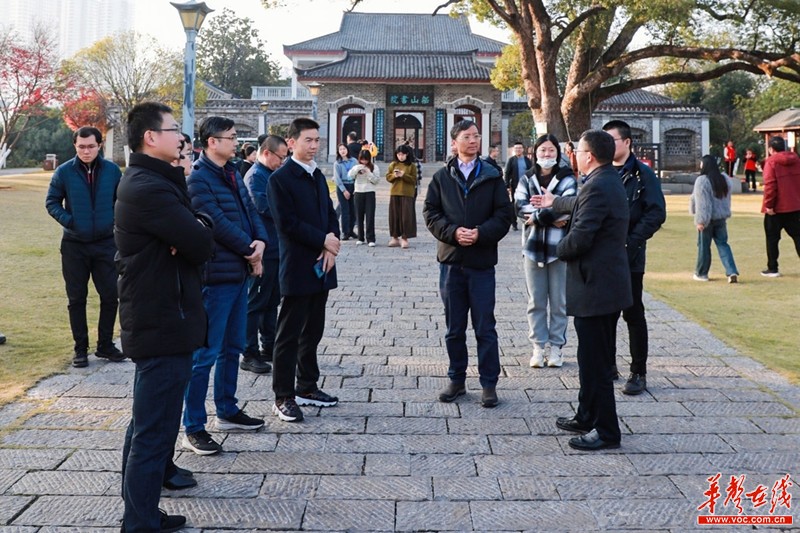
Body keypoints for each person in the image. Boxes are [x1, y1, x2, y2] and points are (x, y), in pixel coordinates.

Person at [116, 101, 215, 532]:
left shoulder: (156, 180)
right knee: (153, 430)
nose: (181, 137)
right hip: (161, 319)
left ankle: (141, 512)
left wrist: (195, 229)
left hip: (165, 315)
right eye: (174, 129)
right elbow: (201, 244)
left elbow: (196, 230)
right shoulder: (148, 187)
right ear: (151, 137)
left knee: (147, 423)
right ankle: (138, 522)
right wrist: (195, 232)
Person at [183, 116, 268, 456]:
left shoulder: (232, 171)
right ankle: (193, 425)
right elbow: (214, 223)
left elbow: (250, 212)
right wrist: (250, 250)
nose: (236, 142)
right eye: (230, 137)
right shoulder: (198, 178)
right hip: (216, 276)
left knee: (232, 347)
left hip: (239, 273)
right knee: (204, 355)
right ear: (211, 142)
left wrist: (260, 242)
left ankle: (227, 410)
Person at [424, 120, 514, 408]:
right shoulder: (442, 177)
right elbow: (430, 212)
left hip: (481, 262)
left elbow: (504, 215)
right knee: (454, 327)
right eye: (467, 136)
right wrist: (453, 233)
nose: (473, 140)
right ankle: (457, 379)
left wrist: (480, 233)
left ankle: (489, 383)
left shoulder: (492, 176)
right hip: (451, 262)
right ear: (454, 143)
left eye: (476, 136)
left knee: (485, 326)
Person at [551, 129, 631, 451]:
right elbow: (579, 204)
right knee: (588, 357)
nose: (575, 156)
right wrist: (555, 204)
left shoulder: (598, 185)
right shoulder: (604, 180)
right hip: (602, 284)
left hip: (596, 287)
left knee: (596, 362)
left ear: (590, 156)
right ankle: (586, 414)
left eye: (579, 151)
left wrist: (557, 248)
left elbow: (581, 237)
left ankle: (607, 430)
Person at [268, 117, 341, 423]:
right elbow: (287, 223)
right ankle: (283, 395)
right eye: (307, 140)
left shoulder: (317, 175)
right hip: (297, 265)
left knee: (313, 330)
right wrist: (322, 240)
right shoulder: (281, 179)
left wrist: (331, 245)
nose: (313, 146)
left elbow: (330, 213)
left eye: (316, 140)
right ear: (291, 142)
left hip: (322, 264)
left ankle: (307, 386)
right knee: (289, 333)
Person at [45, 126, 125, 368]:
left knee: (110, 296)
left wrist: (112, 222)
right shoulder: (64, 172)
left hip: (105, 244)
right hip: (74, 245)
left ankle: (105, 345)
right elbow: (52, 202)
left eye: (91, 146)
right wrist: (71, 222)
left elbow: (121, 201)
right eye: (81, 147)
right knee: (76, 298)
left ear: (99, 145)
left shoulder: (112, 171)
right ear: (75, 146)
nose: (86, 151)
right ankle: (80, 349)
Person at [602, 119, 666, 395]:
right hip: (603, 254)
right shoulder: (601, 172)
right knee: (605, 313)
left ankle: (638, 371)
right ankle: (608, 365)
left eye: (612, 140)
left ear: (627, 142)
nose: (607, 146)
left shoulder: (643, 174)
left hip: (630, 255)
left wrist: (632, 241)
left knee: (632, 312)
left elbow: (656, 212)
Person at [515, 134, 577, 368]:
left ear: (557, 153)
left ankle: (557, 347)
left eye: (551, 150)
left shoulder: (567, 178)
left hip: (559, 248)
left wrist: (539, 216)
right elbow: (520, 207)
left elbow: (568, 208)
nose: (547, 154)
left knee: (559, 301)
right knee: (536, 300)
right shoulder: (526, 178)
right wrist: (551, 212)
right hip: (532, 247)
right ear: (535, 153)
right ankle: (538, 347)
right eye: (542, 150)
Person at [242, 135, 289, 373]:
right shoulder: (255, 176)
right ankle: (248, 352)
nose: (282, 162)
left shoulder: (271, 174)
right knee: (255, 302)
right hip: (262, 248)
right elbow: (264, 207)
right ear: (267, 153)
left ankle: (268, 346)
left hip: (276, 247)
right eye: (280, 157)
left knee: (271, 300)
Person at [690, 155, 740, 283]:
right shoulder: (724, 179)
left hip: (707, 220)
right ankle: (731, 271)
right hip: (721, 218)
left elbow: (703, 203)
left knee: (704, 247)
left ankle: (702, 273)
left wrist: (701, 221)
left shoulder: (702, 180)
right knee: (723, 244)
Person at [760, 136, 800, 277]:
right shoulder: (796, 160)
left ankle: (773, 268)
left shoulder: (771, 162)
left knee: (772, 238)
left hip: (777, 208)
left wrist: (769, 205)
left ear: (771, 149)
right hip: (794, 205)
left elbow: (770, 185)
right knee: (798, 236)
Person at [386, 144, 418, 248]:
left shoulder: (412, 166)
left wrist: (403, 175)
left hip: (407, 193)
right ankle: (394, 237)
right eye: (398, 154)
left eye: (402, 154)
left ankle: (405, 238)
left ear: (407, 154)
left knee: (406, 216)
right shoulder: (393, 164)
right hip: (395, 192)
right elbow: (388, 177)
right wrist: (394, 175)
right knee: (394, 216)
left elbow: (414, 180)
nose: (400, 156)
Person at [349, 149, 380, 247]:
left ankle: (371, 238)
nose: (364, 162)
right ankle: (360, 237)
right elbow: (350, 176)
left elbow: (376, 180)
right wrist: (357, 170)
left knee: (370, 216)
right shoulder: (356, 166)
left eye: (366, 159)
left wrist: (368, 172)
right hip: (358, 192)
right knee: (359, 216)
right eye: (362, 159)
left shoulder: (374, 167)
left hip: (370, 192)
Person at [504, 142, 532, 231]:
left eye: (520, 148)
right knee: (514, 204)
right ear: (514, 149)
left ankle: (528, 220)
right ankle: (514, 223)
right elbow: (506, 173)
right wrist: (507, 185)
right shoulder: (511, 160)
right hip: (515, 186)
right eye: (516, 148)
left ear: (523, 149)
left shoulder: (527, 160)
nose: (518, 150)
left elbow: (532, 171)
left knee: (528, 203)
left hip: (527, 186)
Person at [334, 143, 358, 240]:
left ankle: (351, 230)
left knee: (353, 210)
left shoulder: (354, 161)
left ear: (347, 150)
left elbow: (357, 175)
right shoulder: (337, 163)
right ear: (338, 152)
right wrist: (344, 191)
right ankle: (345, 232)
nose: (342, 151)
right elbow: (337, 178)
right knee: (345, 210)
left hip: (353, 186)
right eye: (340, 149)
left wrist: (355, 188)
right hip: (342, 187)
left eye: (344, 149)